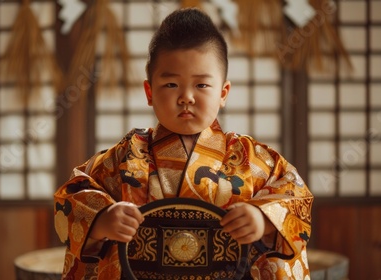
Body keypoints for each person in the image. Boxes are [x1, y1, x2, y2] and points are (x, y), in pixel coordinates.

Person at [54, 7, 313, 280]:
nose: (186, 97)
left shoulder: (252, 159)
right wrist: (102, 219)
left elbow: (295, 196)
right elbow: (73, 194)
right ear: (149, 92)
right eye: (171, 85)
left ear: (223, 92)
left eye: (201, 85)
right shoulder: (126, 157)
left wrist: (263, 219)